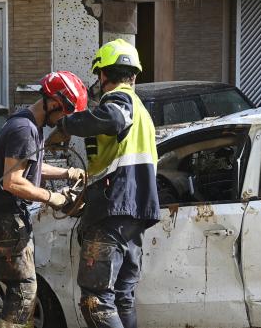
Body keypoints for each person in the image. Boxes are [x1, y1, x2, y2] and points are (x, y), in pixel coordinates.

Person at [53, 38, 160, 328]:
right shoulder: (142, 111)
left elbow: (112, 118)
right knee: (122, 295)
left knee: (96, 298)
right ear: (134, 74)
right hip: (134, 213)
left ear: (102, 75)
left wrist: (65, 125)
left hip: (113, 209)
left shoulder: (120, 99)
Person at [0, 71, 89, 328]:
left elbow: (31, 166)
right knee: (22, 289)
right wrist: (54, 198)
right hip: (4, 217)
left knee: (22, 287)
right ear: (53, 103)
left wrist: (67, 172)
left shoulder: (30, 125)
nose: (65, 121)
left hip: (6, 216)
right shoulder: (24, 129)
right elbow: (13, 181)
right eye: (66, 113)